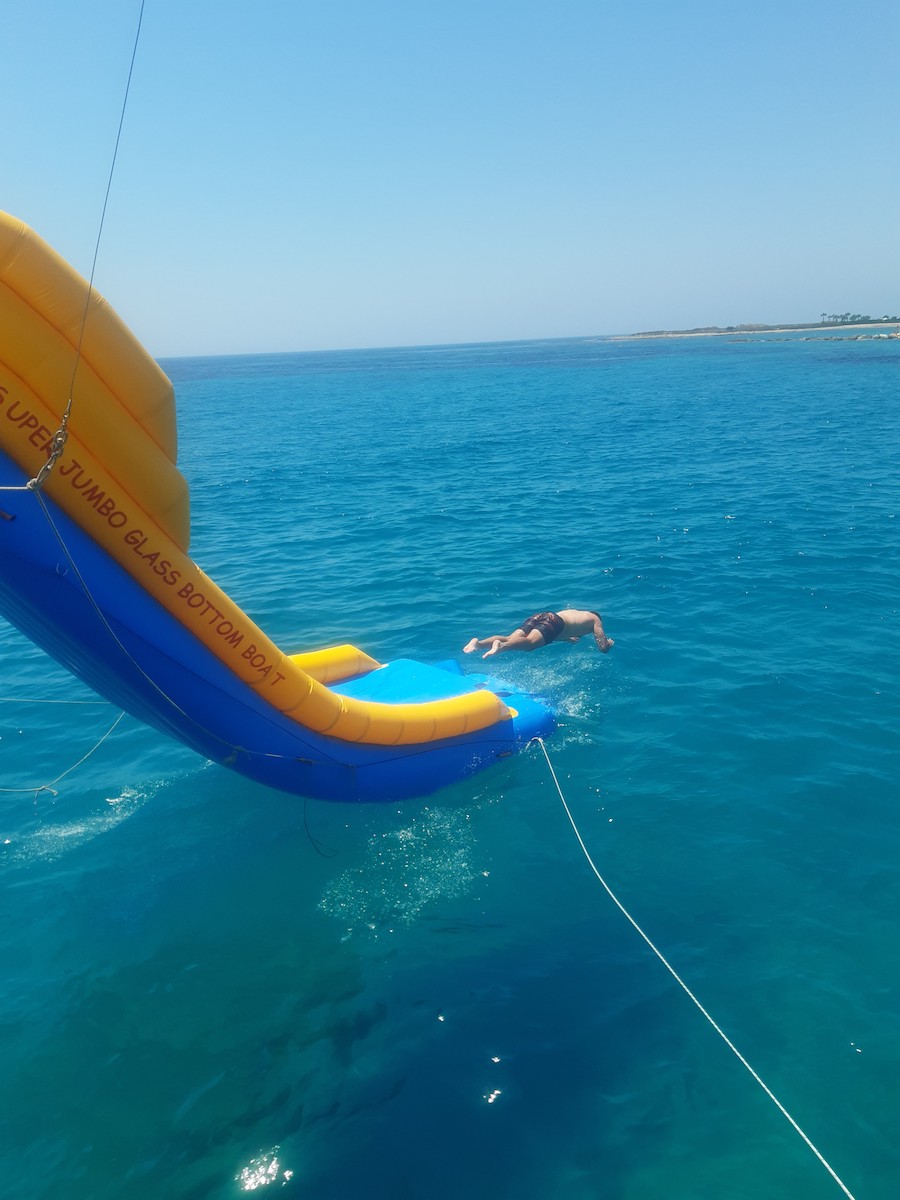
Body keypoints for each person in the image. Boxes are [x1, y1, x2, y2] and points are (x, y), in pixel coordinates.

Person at [463, 609, 614, 658]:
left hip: (545, 615)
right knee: (529, 644)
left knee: (513, 638)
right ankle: (501, 646)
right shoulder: (595, 619)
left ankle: (479, 643)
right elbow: (602, 647)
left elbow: (552, 631)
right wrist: (608, 645)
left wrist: (564, 639)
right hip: (554, 622)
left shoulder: (578, 614)